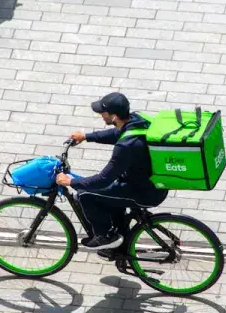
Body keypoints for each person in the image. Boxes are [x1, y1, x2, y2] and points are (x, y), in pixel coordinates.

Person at [55, 92, 169, 252]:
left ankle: (104, 236)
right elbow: (115, 134)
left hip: (143, 194)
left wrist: (71, 182)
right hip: (152, 185)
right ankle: (120, 241)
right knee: (109, 195)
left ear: (114, 116)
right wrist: (86, 136)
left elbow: (103, 179)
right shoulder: (136, 120)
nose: (101, 115)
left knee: (85, 194)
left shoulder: (126, 147)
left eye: (103, 112)